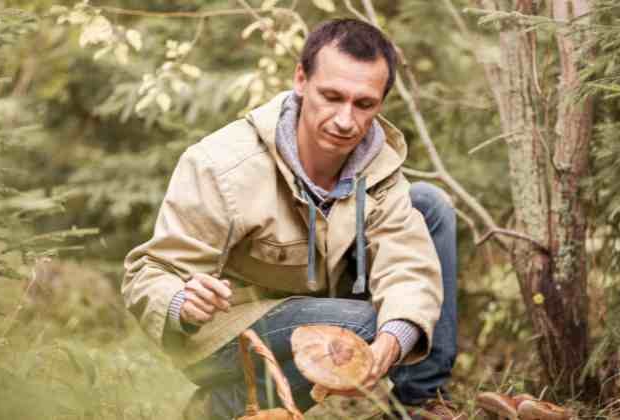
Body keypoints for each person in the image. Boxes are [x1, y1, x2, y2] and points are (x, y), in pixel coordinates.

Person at [122, 18, 462, 420]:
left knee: (427, 205)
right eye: (331, 96)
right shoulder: (222, 164)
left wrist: (392, 343)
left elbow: (407, 265)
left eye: (364, 104)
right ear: (301, 80)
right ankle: (226, 405)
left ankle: (418, 405)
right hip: (230, 329)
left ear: (380, 104)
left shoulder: (380, 167)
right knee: (363, 324)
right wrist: (182, 300)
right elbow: (149, 272)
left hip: (324, 304)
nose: (345, 120)